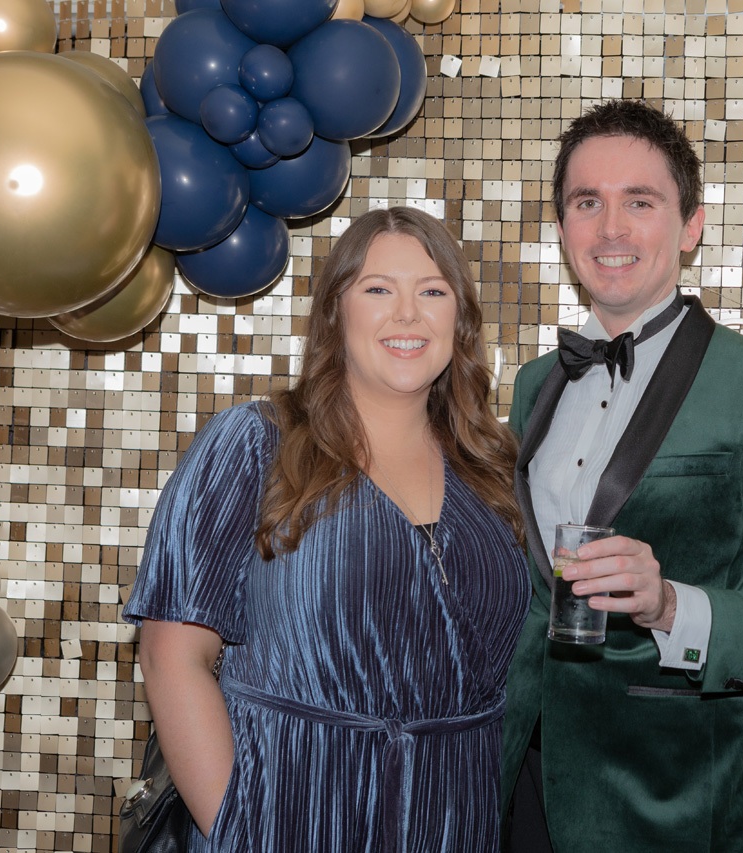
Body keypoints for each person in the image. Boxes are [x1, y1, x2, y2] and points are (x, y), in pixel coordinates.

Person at [500, 100, 743, 851]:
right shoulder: (534, 386)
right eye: (587, 202)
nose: (611, 228)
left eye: (640, 202)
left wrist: (670, 605)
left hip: (679, 807)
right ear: (563, 227)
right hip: (526, 786)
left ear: (691, 225)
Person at [124, 206, 530, 852]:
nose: (408, 315)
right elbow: (171, 657)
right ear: (336, 312)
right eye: (379, 290)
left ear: (460, 319)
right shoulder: (256, 445)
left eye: (432, 292)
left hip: (454, 818)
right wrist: (240, 832)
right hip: (290, 817)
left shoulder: (495, 469)